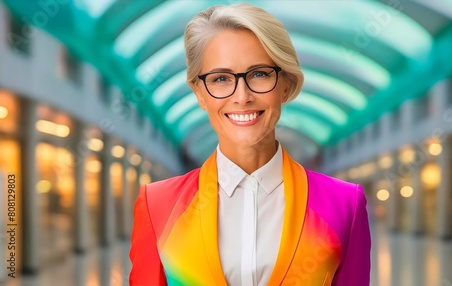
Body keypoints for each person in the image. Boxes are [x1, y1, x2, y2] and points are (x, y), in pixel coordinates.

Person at [129, 3, 371, 285]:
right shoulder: (157, 204)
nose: (242, 96)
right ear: (199, 93)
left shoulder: (345, 204)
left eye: (259, 74)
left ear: (285, 83)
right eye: (220, 78)